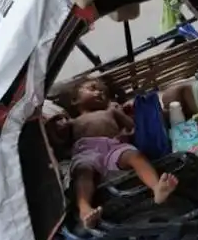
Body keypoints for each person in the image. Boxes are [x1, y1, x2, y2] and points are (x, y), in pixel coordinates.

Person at [65, 78, 178, 228]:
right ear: (75, 100)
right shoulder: (72, 122)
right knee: (83, 172)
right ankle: (85, 209)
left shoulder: (110, 111)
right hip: (86, 150)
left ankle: (157, 187)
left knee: (135, 156)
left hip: (113, 146)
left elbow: (132, 125)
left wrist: (119, 112)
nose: (99, 92)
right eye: (92, 88)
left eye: (103, 92)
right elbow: (59, 140)